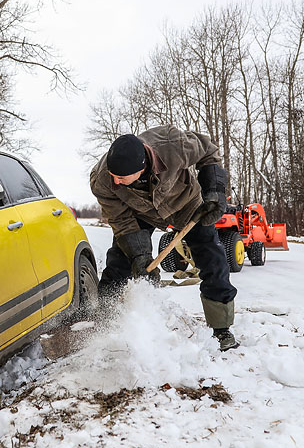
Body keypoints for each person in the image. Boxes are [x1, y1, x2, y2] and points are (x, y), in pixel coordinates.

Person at [89, 127, 239, 351]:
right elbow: (121, 221)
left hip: (185, 205)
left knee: (212, 258)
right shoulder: (102, 180)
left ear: (140, 169)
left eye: (120, 177)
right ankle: (105, 321)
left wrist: (214, 190)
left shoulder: (173, 144)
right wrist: (139, 256)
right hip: (139, 213)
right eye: (113, 175)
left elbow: (209, 151)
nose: (116, 182)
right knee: (120, 262)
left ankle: (221, 327)